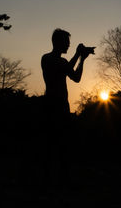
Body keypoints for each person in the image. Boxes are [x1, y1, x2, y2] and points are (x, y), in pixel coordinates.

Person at [40, 28, 93, 189]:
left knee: (61, 145)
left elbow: (73, 75)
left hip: (60, 106)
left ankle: (59, 179)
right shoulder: (48, 59)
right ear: (58, 42)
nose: (68, 45)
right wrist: (79, 56)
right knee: (54, 145)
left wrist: (81, 58)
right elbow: (67, 71)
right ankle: (51, 180)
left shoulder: (57, 61)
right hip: (53, 105)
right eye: (67, 42)